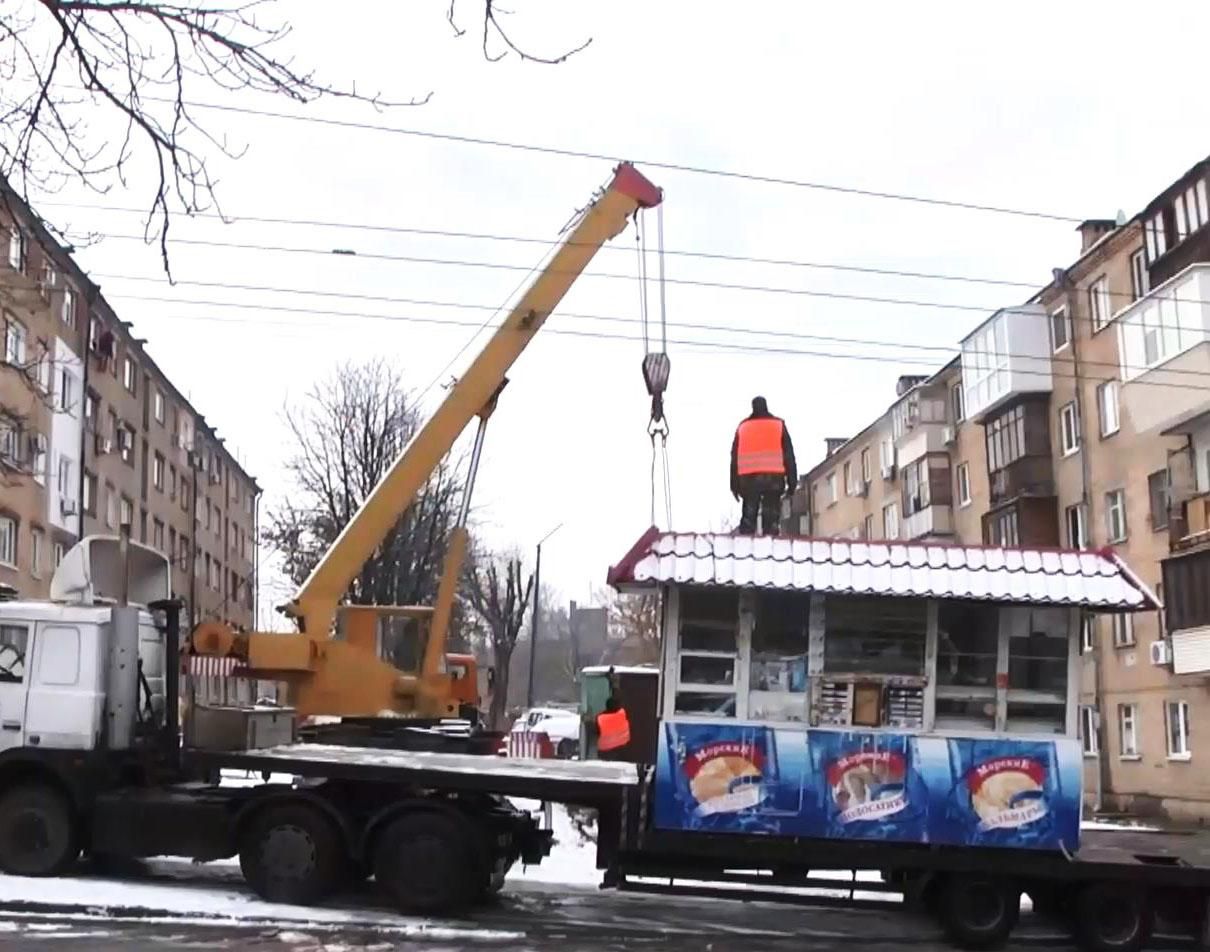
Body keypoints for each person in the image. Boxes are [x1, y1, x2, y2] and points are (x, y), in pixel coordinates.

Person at [730, 396, 797, 536]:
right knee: (771, 519)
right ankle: (770, 543)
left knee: (749, 518)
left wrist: (734, 485)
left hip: (749, 479)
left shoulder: (743, 427)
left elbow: (734, 458)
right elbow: (789, 455)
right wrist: (792, 482)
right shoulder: (778, 425)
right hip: (774, 478)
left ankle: (745, 544)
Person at [592, 670, 631, 760]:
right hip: (621, 749)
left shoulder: (600, 717)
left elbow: (595, 733)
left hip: (604, 750)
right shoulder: (622, 714)